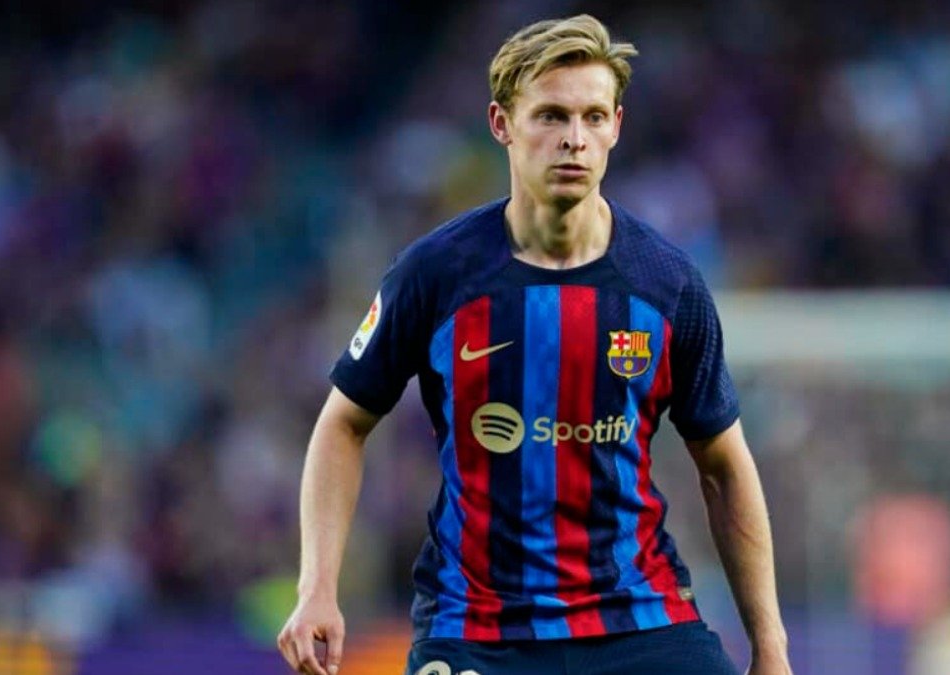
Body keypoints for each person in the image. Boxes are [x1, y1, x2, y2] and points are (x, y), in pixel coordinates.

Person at [277, 14, 791, 675]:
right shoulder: (435, 274)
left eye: (592, 116)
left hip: (638, 620)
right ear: (502, 124)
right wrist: (316, 588)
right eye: (550, 115)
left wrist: (770, 646)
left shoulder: (668, 285)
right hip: (478, 628)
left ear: (616, 127)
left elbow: (722, 464)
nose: (574, 138)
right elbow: (343, 424)